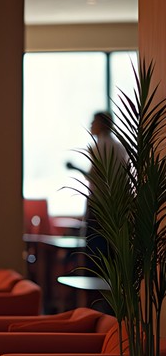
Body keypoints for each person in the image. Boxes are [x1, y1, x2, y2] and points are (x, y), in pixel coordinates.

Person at [68, 111, 126, 271]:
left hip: (99, 205)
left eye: (94, 121)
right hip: (117, 206)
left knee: (95, 255)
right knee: (112, 255)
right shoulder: (120, 147)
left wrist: (74, 167)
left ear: (102, 124)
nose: (91, 125)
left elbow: (95, 178)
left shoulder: (99, 147)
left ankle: (93, 294)